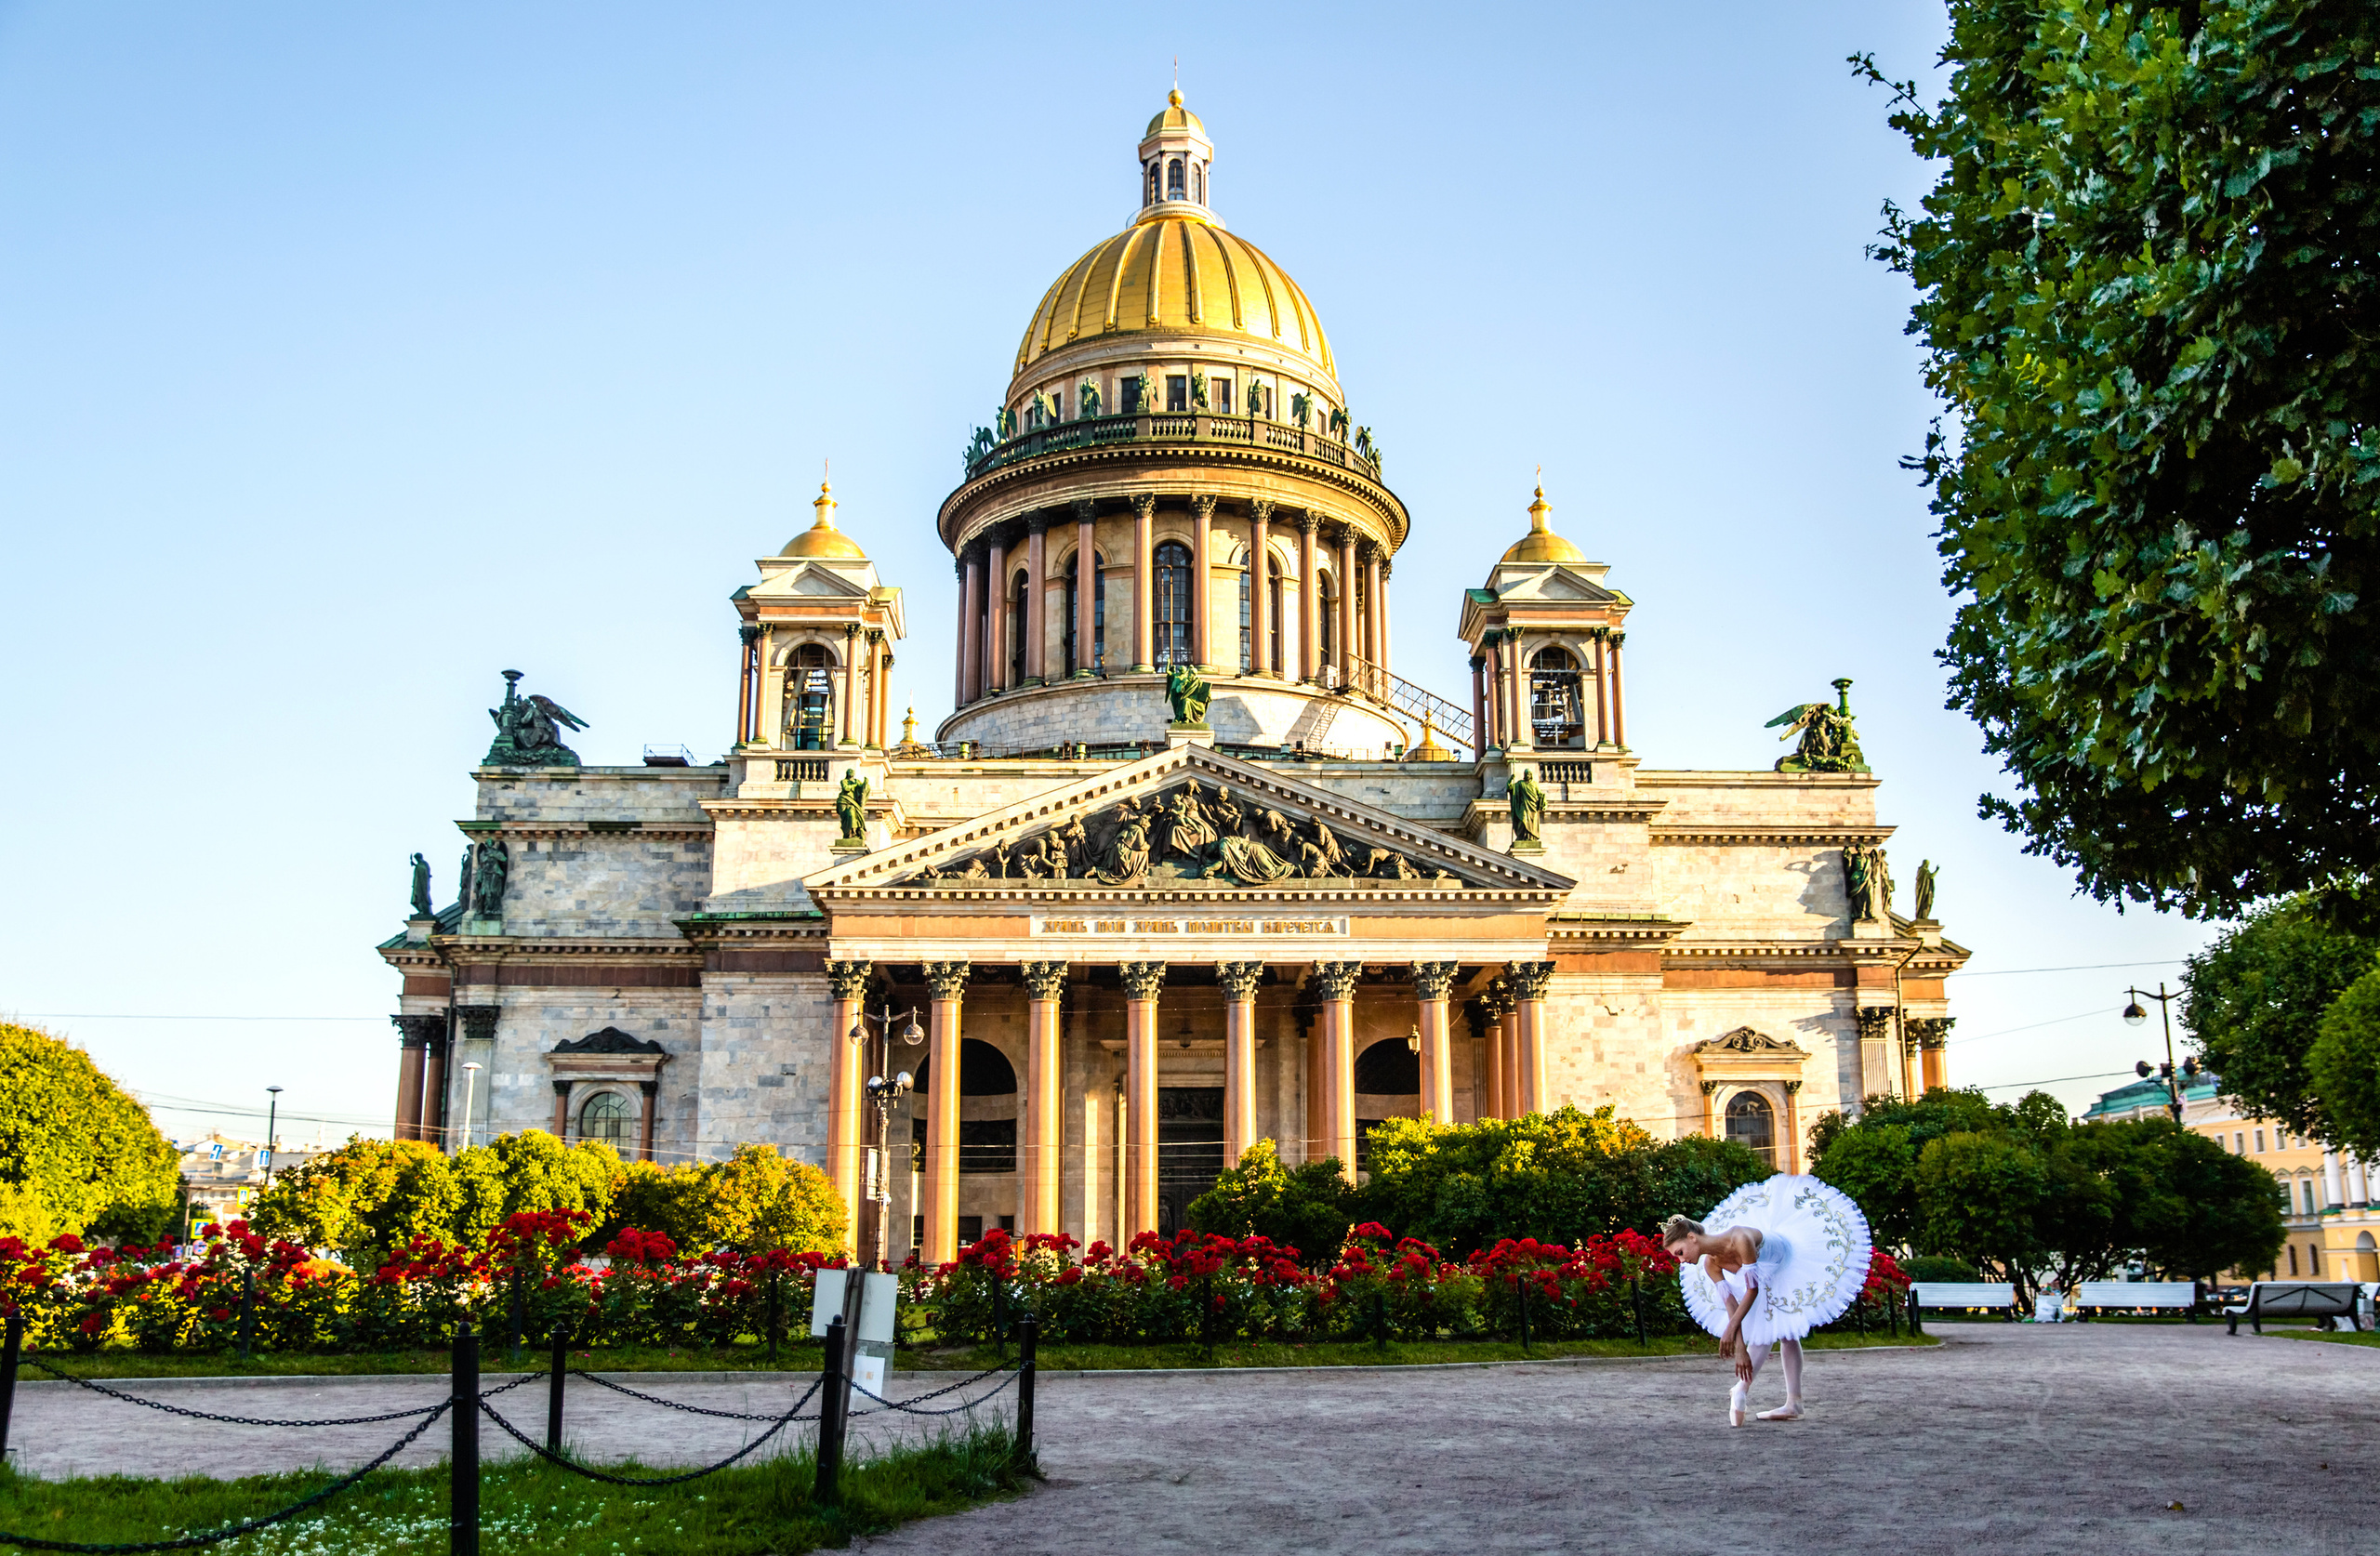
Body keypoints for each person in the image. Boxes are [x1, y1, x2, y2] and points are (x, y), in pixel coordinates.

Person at [1663, 1174, 1871, 1427]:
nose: (1681, 1260)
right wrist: (1739, 1344)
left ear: (1692, 1238)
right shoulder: (1710, 1265)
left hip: (1787, 1260)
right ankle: (1791, 1402)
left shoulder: (1739, 1238)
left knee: (1777, 1328)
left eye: (1680, 1252)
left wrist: (1732, 1333)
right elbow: (1732, 1307)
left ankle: (1743, 1391)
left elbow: (1752, 1291)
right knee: (1782, 1331)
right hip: (1764, 1275)